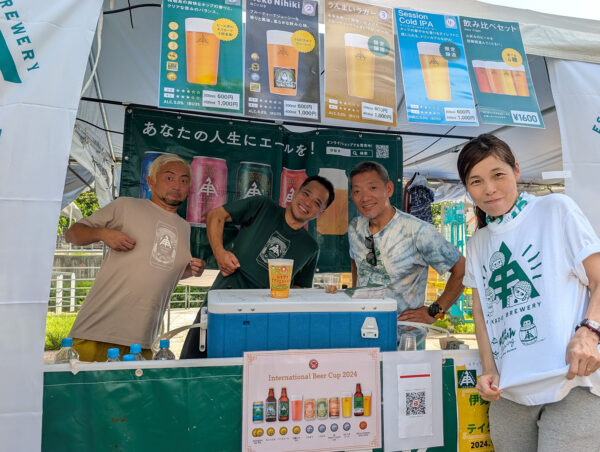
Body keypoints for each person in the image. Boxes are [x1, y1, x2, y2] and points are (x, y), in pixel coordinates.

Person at [457, 133, 600, 451]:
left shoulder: (555, 209)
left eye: (498, 175)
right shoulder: (478, 242)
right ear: (467, 189)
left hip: (571, 382)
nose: (490, 189)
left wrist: (589, 332)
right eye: (476, 181)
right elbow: (481, 313)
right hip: (509, 393)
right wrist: (490, 369)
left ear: (516, 171)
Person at [65, 154, 206, 361]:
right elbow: (72, 234)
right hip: (97, 329)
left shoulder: (184, 227)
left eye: (184, 180)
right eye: (169, 178)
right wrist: (103, 233)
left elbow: (163, 268)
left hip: (142, 337)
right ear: (151, 181)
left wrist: (191, 270)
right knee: (85, 392)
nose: (177, 185)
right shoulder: (125, 206)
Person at [180, 175, 335, 359]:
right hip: (219, 309)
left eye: (317, 203)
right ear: (295, 193)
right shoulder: (263, 207)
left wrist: (323, 295)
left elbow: (299, 292)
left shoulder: (310, 247)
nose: (307, 203)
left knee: (244, 379)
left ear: (321, 212)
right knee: (192, 369)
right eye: (306, 193)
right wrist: (220, 253)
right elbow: (216, 215)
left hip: (263, 322)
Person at [347, 161, 465, 347]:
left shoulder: (417, 231)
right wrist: (355, 298)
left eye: (372, 187)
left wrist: (434, 312)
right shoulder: (355, 228)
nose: (364, 197)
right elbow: (355, 261)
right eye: (356, 191)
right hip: (362, 333)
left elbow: (462, 269)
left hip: (406, 342)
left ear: (389, 189)